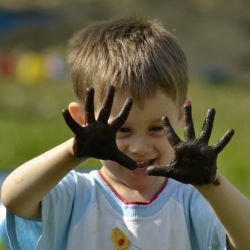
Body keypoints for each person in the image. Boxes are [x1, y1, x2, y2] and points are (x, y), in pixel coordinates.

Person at [1, 15, 250, 250]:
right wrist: (73, 150)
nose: (139, 147)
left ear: (181, 116)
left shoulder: (192, 200)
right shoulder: (76, 195)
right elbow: (13, 197)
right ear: (83, 121)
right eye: (121, 129)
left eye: (156, 128)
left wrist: (211, 183)